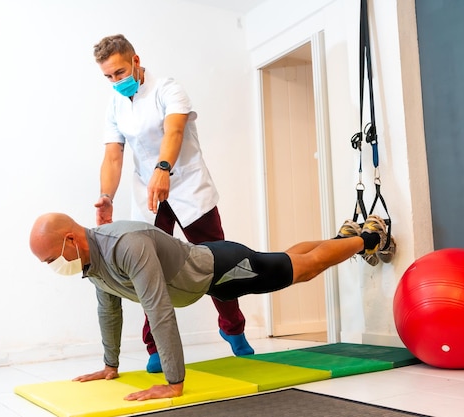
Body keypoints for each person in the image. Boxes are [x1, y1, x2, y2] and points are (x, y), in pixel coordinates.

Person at [29, 212, 387, 401]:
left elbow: (158, 309)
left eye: (49, 259)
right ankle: (344, 239)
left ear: (71, 240)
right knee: (285, 261)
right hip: (209, 277)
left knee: (302, 270)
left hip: (222, 269)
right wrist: (110, 365)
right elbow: (109, 310)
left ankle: (369, 238)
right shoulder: (91, 264)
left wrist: (174, 382)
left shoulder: (125, 245)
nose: (52, 267)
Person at [90, 34, 252, 373]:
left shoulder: (168, 89)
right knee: (146, 269)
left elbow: (174, 133)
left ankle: (232, 328)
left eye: (119, 73)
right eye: (108, 77)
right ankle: (156, 347)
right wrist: (107, 196)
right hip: (147, 196)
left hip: (188, 186)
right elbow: (113, 155)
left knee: (218, 262)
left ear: (135, 60)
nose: (115, 81)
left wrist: (163, 169)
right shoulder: (115, 105)